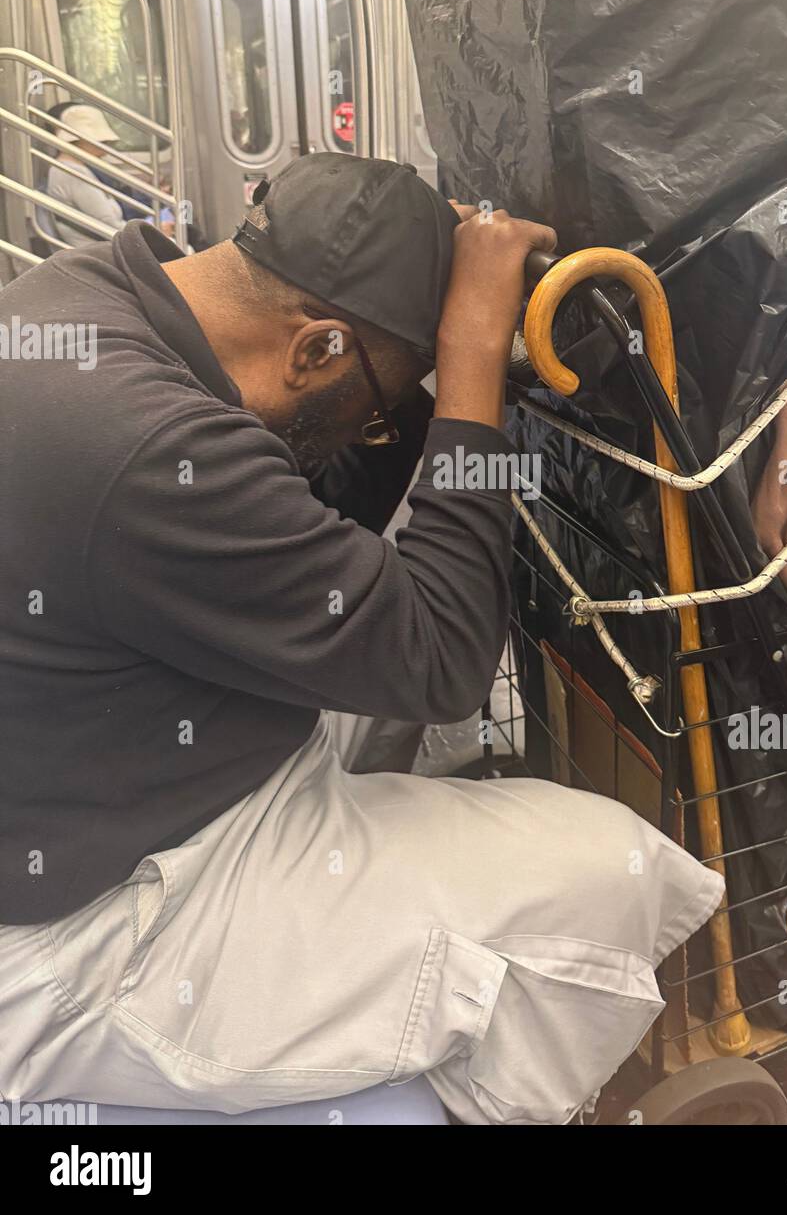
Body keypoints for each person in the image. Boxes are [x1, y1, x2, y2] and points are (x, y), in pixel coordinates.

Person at [0, 153, 723, 1125]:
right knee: (613, 868)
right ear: (316, 347)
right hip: (82, 936)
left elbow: (303, 489)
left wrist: (417, 286)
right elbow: (444, 658)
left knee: (397, 718)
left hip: (100, 771)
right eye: (380, 410)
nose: (381, 431)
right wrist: (470, 359)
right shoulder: (147, 451)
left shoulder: (84, 293)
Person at [44, 102, 128, 245]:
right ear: (78, 140)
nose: (105, 149)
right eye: (101, 141)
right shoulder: (71, 172)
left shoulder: (74, 167)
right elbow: (109, 224)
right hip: (100, 252)